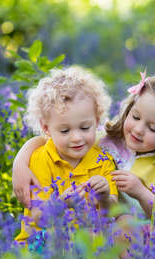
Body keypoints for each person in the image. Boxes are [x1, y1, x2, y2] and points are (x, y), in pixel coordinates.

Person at [12, 71, 155, 228]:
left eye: (153, 128)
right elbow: (50, 139)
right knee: (122, 225)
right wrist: (20, 163)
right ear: (128, 110)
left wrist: (140, 191)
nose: (139, 130)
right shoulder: (105, 140)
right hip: (117, 234)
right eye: (136, 117)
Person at [13, 66, 118, 243]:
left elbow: (112, 213)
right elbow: (38, 217)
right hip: (42, 243)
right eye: (64, 130)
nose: (76, 138)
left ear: (97, 121)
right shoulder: (41, 160)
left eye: (85, 128)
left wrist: (105, 196)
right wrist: (61, 205)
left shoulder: (103, 160)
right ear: (46, 128)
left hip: (86, 241)